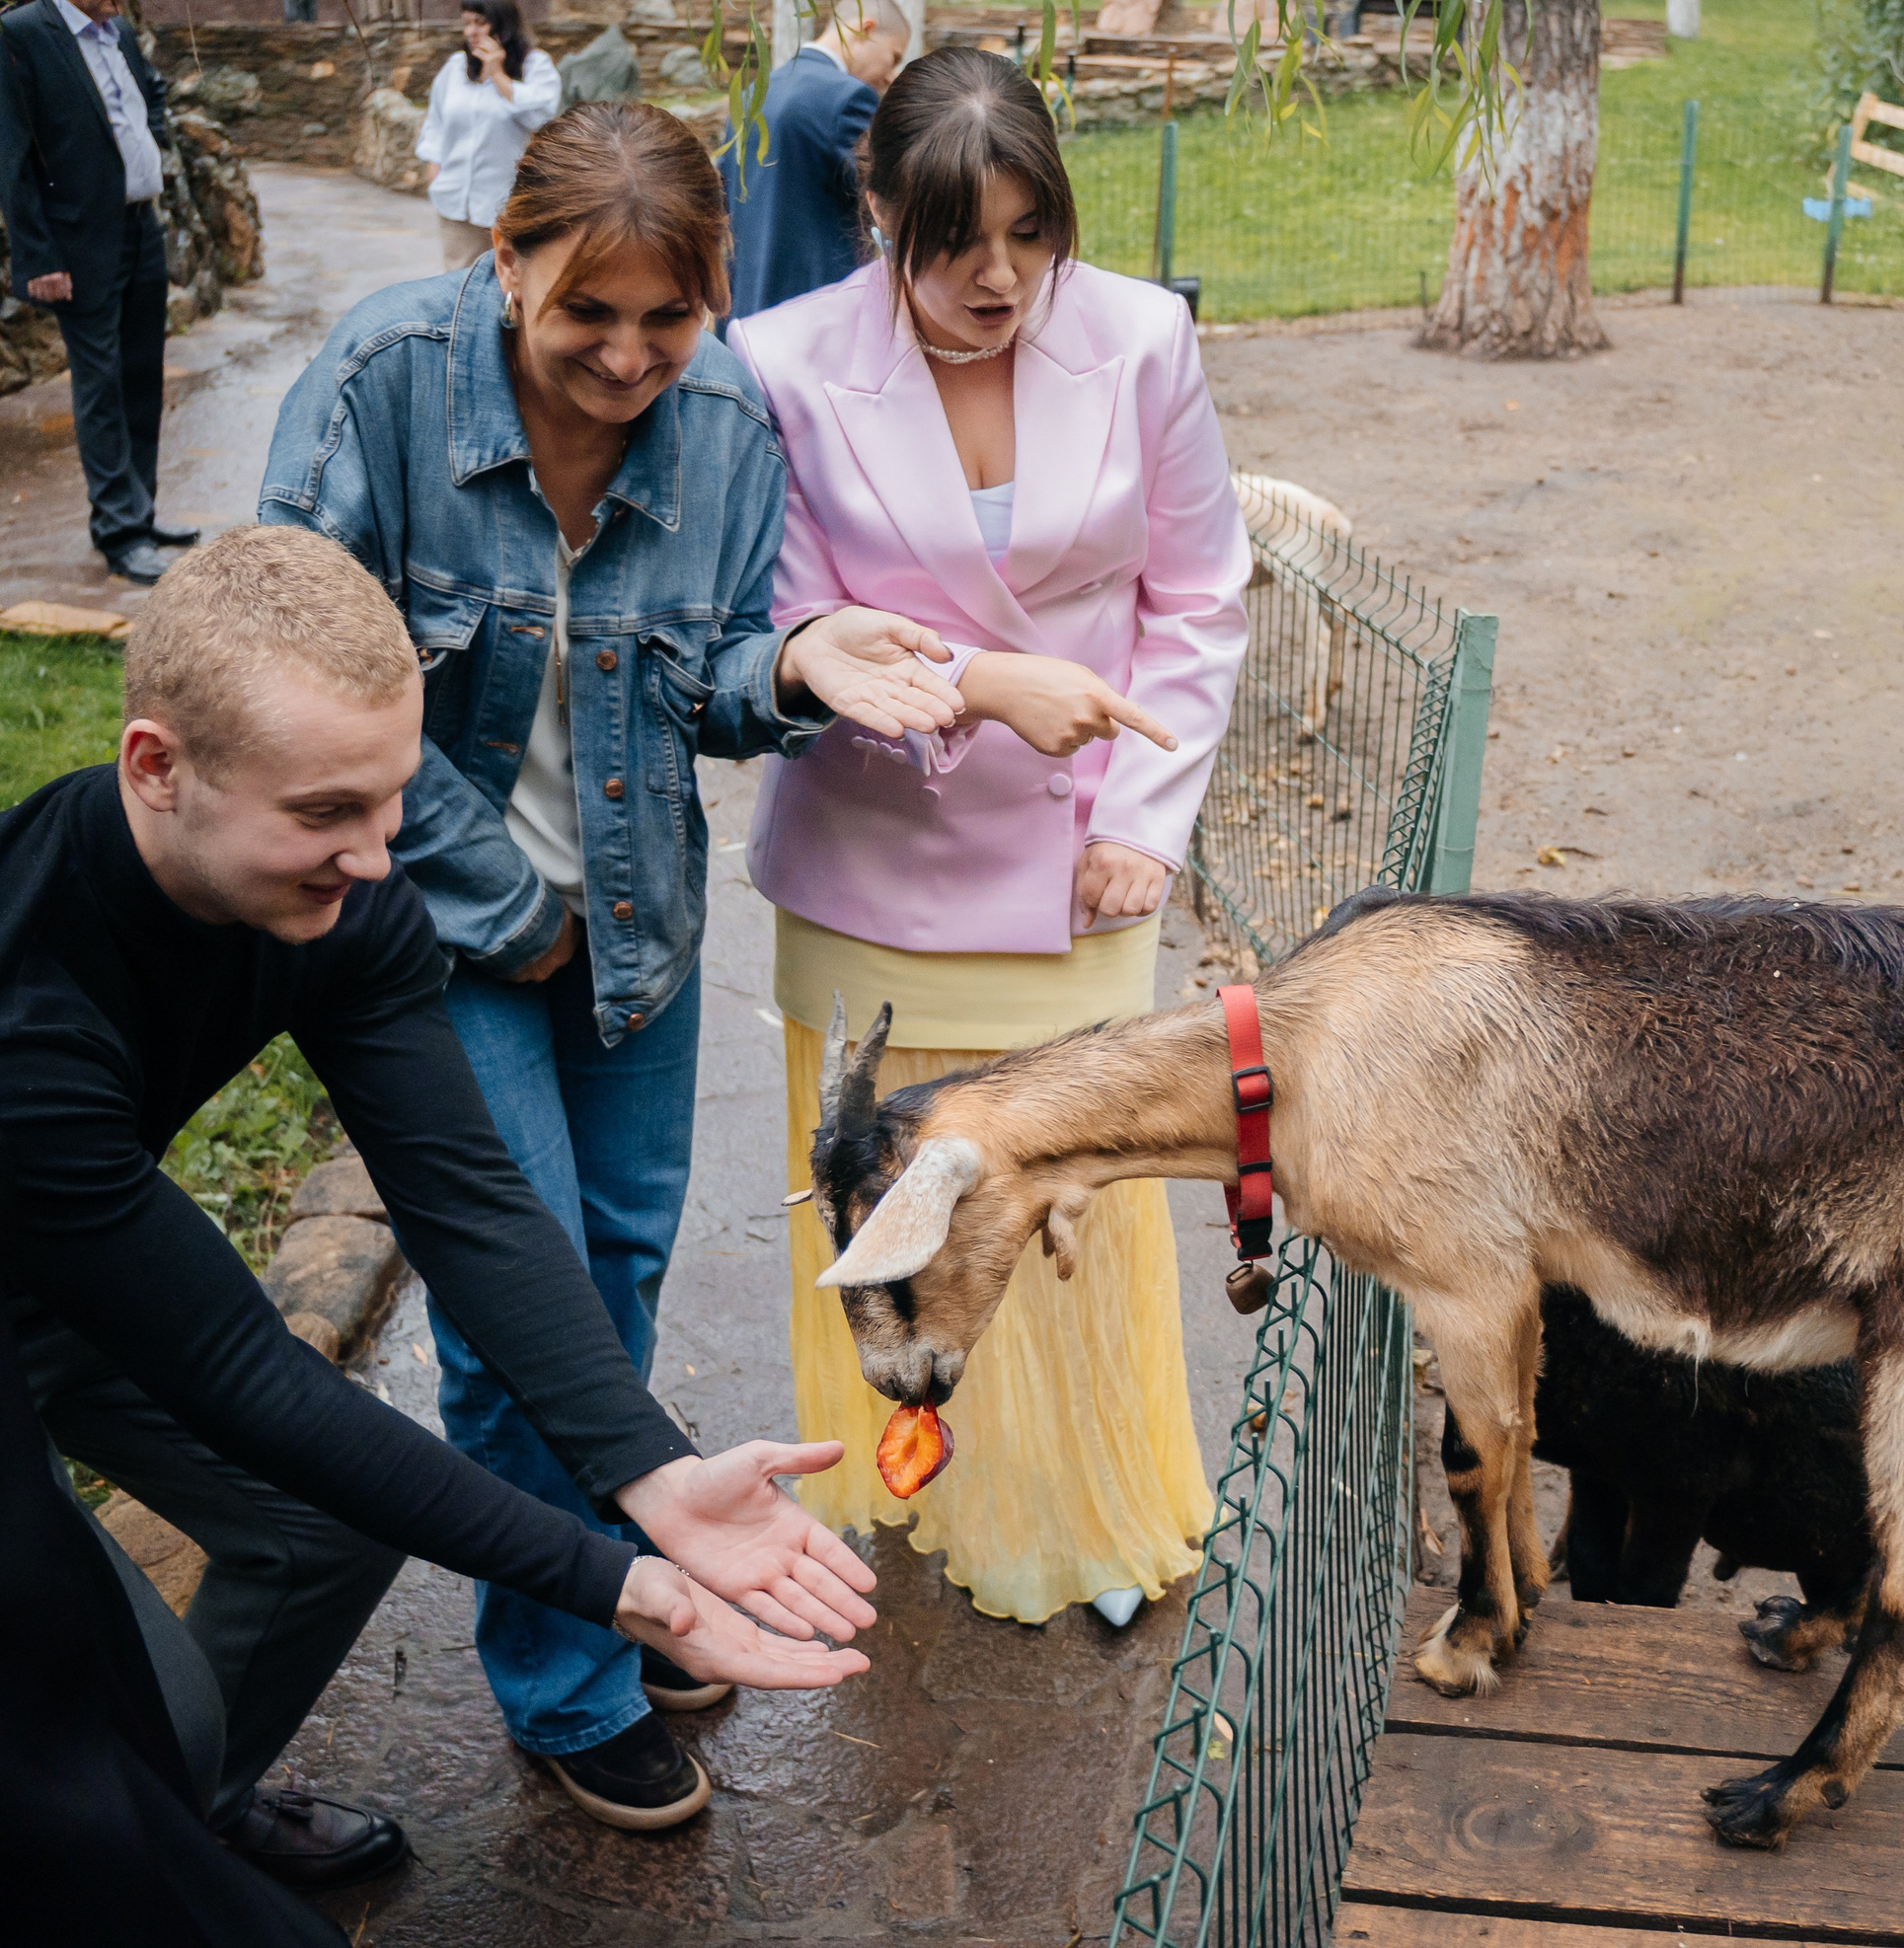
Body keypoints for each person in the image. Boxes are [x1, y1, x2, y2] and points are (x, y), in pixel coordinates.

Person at [258, 99, 998, 1829]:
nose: (629, 354)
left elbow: (708, 678)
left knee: (617, 1272)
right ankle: (572, 1667)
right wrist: (508, 909)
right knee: (526, 1313)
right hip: (425, 935)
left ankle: (621, 1560)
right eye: (588, 309)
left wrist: (802, 664)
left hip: (636, 929)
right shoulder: (377, 385)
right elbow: (296, 676)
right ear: (504, 258)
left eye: (670, 315)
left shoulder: (727, 418)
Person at [0, 525, 876, 1933]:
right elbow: (240, 1372)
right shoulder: (29, 1019)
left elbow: (466, 1197)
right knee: (95, 1742)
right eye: (324, 811)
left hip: (84, 1254)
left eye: (396, 796)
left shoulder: (343, 893)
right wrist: (614, 1579)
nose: (376, 854)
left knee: (319, 1533)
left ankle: (197, 1806)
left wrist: (644, 1466)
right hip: (51, 1250)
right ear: (156, 767)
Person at [728, 47, 1249, 1627]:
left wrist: (1148, 821)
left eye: (1033, 233)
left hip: (1083, 853)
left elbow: (1199, 594)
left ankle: (1079, 1509)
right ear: (876, 207)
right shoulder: (782, 360)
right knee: (888, 1187)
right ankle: (907, 1472)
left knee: (1071, 1191)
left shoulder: (1144, 337)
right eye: (959, 241)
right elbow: (787, 612)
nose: (1001, 277)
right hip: (870, 861)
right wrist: (973, 680)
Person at [0, 0, 197, 584]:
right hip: (79, 240)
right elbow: (10, 154)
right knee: (101, 383)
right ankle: (118, 532)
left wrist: (151, 139)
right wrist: (38, 256)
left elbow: (150, 96)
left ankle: (139, 511)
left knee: (141, 374)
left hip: (141, 227)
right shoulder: (21, 31)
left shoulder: (120, 32)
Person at [720, 0, 908, 325]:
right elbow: (893, 198)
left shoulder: (751, 94)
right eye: (893, 57)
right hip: (813, 315)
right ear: (866, 28)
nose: (890, 76)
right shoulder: (847, 99)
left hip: (743, 310)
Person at [417, 0, 560, 272]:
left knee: (509, 285)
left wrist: (497, 74)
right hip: (455, 203)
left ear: (504, 24)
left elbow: (541, 117)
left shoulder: (535, 65)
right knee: (459, 283)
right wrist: (434, 173)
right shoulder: (456, 68)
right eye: (466, 23)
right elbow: (435, 122)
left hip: (508, 205)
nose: (471, 32)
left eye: (480, 23)